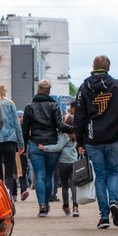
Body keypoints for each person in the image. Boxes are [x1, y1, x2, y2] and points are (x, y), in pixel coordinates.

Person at [75, 55, 118, 229]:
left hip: (93, 138)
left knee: (99, 176)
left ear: (93, 66)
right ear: (108, 67)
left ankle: (104, 217)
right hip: (114, 136)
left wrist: (79, 140)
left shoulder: (84, 86)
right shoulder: (117, 84)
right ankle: (114, 202)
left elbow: (79, 116)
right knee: (113, 172)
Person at [22, 79, 75, 217]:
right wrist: (75, 128)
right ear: (49, 91)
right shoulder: (53, 105)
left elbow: (25, 130)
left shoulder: (29, 107)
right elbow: (60, 126)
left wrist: (23, 146)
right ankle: (46, 203)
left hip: (35, 145)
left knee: (39, 175)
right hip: (52, 145)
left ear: (38, 90)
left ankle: (42, 206)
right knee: (49, 176)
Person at [0, 82, 24, 197]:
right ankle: (9, 197)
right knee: (9, 171)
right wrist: (21, 143)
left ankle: (0, 196)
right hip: (10, 141)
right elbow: (17, 125)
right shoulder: (10, 104)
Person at [41, 113, 79, 216]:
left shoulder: (63, 135)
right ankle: (75, 207)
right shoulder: (75, 134)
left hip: (63, 162)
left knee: (65, 186)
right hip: (74, 161)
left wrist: (45, 147)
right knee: (73, 185)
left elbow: (58, 147)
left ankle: (66, 206)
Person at [15, 110, 30, 201]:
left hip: (22, 153)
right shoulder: (15, 127)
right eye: (20, 116)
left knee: (22, 173)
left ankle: (23, 191)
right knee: (14, 174)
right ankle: (13, 194)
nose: (22, 118)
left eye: (23, 116)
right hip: (15, 153)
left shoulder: (26, 128)